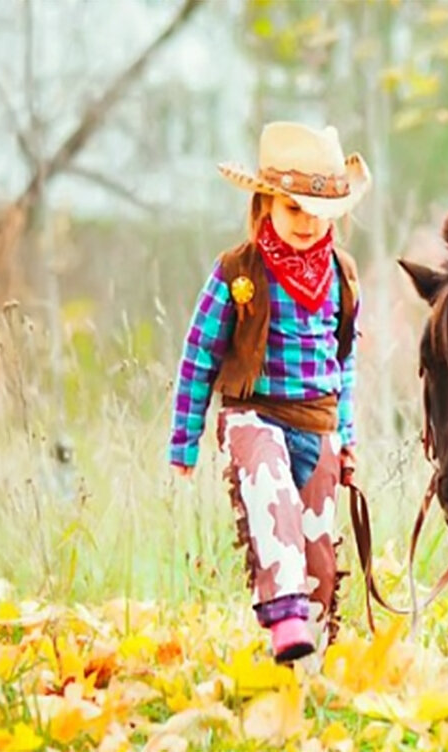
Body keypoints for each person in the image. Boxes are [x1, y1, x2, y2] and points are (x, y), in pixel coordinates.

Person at [168, 121, 369, 662]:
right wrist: (184, 441)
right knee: (271, 498)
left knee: (318, 547)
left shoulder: (341, 276)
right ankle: (283, 616)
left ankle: (312, 655)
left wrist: (345, 438)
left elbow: (343, 361)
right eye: (293, 209)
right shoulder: (239, 271)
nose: (306, 224)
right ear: (264, 207)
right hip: (253, 414)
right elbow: (198, 356)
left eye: (317, 213)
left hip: (319, 421)